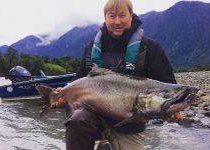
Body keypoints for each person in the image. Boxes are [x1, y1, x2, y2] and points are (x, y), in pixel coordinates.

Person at [62, 0, 177, 150]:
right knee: (76, 121)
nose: (117, 21)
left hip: (130, 126)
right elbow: (80, 78)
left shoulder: (149, 48)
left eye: (122, 15)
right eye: (112, 16)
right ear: (105, 18)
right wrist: (63, 93)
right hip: (93, 117)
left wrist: (173, 108)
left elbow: (168, 85)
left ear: (131, 16)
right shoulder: (91, 48)